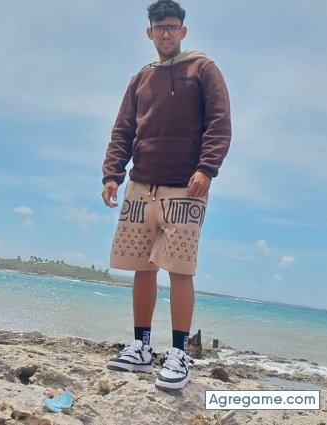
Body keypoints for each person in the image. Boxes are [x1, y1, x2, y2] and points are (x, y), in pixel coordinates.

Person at [101, 0, 231, 390]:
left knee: (180, 270)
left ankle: (178, 354)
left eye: (173, 27)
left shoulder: (203, 69)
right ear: (149, 32)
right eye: (159, 28)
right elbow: (123, 129)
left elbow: (219, 123)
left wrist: (206, 169)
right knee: (142, 267)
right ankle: (141, 348)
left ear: (183, 31)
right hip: (141, 185)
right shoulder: (141, 78)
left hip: (186, 188)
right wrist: (112, 174)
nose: (166, 33)